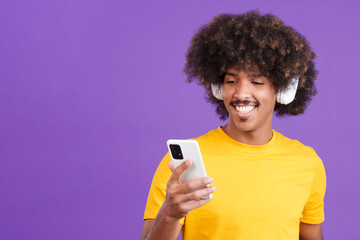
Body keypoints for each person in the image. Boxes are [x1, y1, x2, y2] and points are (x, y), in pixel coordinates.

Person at [140, 10, 326, 240]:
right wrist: (169, 214)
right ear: (218, 88)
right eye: (231, 81)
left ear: (283, 90)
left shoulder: (307, 162)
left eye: (257, 82)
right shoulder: (182, 164)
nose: (241, 93)